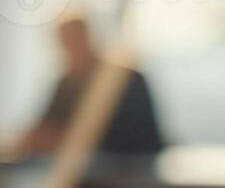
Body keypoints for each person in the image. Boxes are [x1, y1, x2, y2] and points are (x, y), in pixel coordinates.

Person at [20, 16, 165, 157]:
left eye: (74, 40)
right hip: (81, 173)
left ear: (88, 38)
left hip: (129, 172)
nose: (70, 49)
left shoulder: (126, 80)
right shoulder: (66, 83)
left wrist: (65, 140)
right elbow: (46, 126)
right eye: (65, 43)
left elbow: (138, 139)